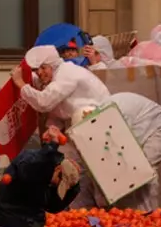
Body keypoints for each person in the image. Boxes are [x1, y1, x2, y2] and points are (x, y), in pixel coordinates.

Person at [11, 45, 111, 208]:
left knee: (96, 172)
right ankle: (78, 211)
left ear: (53, 65)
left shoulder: (67, 74)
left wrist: (21, 84)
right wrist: (53, 127)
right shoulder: (56, 77)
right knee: (70, 166)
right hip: (79, 128)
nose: (40, 73)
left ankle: (104, 210)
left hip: (96, 123)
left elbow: (44, 102)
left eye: (43, 68)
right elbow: (60, 109)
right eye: (37, 70)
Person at [71, 92, 161, 212]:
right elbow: (87, 173)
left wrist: (103, 198)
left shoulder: (112, 120)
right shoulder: (89, 133)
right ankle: (125, 215)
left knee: (142, 171)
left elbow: (123, 164)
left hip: (157, 128)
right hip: (135, 128)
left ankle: (147, 216)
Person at [0, 126, 81, 227]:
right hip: (11, 216)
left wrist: (73, 189)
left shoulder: (50, 179)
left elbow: (53, 207)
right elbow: (34, 163)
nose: (57, 185)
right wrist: (51, 146)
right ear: (57, 169)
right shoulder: (32, 162)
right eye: (59, 182)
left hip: (30, 220)